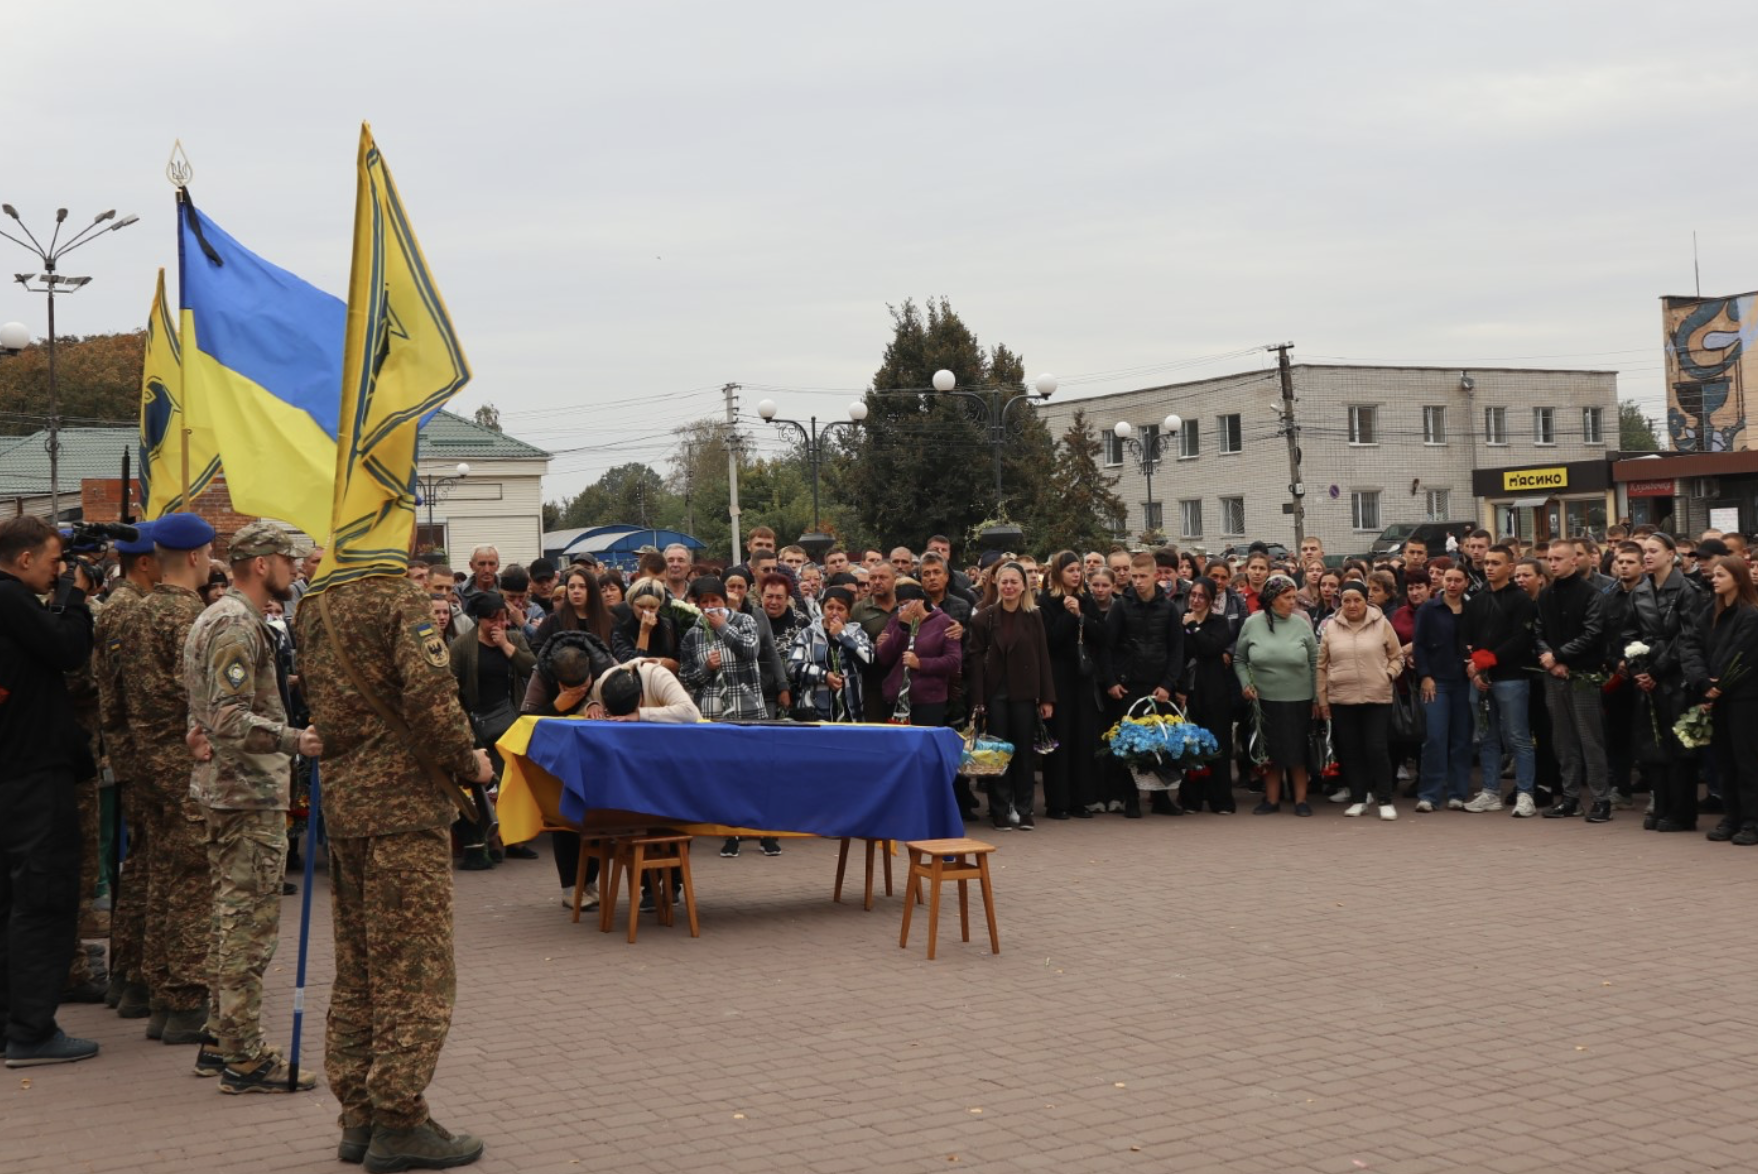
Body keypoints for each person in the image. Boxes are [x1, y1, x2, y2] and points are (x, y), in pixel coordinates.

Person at [295, 563, 494, 1169]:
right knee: (415, 968)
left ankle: (359, 1113)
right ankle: (400, 1120)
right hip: (404, 809)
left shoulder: (315, 605)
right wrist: (470, 763)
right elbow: (433, 702)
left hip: (350, 808)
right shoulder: (398, 599)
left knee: (359, 968)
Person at [180, 522, 323, 1092]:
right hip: (245, 791)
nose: (298, 567)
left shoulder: (219, 617)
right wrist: (295, 740)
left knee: (229, 918)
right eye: (290, 558)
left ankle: (220, 1038)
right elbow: (228, 716)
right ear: (261, 563)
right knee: (249, 927)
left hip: (230, 787)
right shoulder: (237, 622)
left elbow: (204, 705)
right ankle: (244, 1055)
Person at [0, 517, 101, 1068]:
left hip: (11, 773)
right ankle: (33, 1031)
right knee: (43, 902)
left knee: (11, 905)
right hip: (35, 775)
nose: (57, 570)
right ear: (21, 560)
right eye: (51, 560)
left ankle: (10, 1022)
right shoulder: (11, 599)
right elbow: (68, 650)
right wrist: (77, 598)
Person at [122, 513, 220, 1049]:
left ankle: (162, 993)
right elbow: (202, 699)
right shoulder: (189, 618)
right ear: (194, 556)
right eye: (208, 554)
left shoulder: (140, 611)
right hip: (184, 763)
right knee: (191, 883)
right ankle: (184, 998)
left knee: (164, 877)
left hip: (149, 761)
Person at [92, 523, 160, 1020]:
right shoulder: (131, 609)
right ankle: (138, 975)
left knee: (139, 865)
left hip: (129, 749)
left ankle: (128, 975)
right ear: (145, 562)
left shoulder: (120, 604)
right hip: (142, 752)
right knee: (147, 867)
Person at [1622, 533, 1707, 832]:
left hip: (1676, 676)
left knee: (1680, 748)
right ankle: (1662, 805)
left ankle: (1682, 813)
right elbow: (1628, 633)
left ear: (1671, 554)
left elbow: (1688, 636)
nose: (1646, 556)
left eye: (1653, 551)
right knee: (1652, 745)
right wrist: (1637, 669)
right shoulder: (1640, 591)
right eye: (1644, 551)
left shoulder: (1687, 590)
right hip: (1648, 674)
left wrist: (1657, 670)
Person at [967, 562, 1055, 830]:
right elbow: (974, 660)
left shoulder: (1033, 616)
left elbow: (1042, 656)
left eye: (1014, 582)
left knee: (1025, 754)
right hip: (995, 694)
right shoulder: (984, 617)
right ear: (996, 584)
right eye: (1004, 582)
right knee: (997, 753)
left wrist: (1047, 698)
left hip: (1024, 694)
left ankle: (1024, 808)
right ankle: (1000, 809)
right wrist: (978, 701)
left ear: (1023, 585)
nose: (1008, 587)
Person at [1536, 539, 1612, 823]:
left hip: (1583, 676)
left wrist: (1558, 655)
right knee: (1562, 739)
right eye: (1550, 559)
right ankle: (1570, 798)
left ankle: (1601, 799)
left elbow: (1593, 633)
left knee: (1590, 739)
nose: (1552, 563)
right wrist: (1548, 657)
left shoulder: (1592, 594)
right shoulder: (1545, 595)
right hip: (1553, 676)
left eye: (1559, 559)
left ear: (1574, 561)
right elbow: (1538, 630)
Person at [1105, 553, 1184, 817]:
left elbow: (1176, 649)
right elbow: (1108, 646)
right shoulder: (1121, 605)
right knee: (1129, 742)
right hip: (1129, 685)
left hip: (1158, 685)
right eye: (1134, 576)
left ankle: (1161, 797)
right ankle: (1131, 798)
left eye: (1142, 576)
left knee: (1161, 741)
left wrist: (1168, 684)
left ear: (1155, 576)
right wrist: (1112, 681)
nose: (1137, 582)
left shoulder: (1169, 608)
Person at [1462, 546, 1539, 816]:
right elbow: (1465, 637)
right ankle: (1490, 792)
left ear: (1511, 567)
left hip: (1512, 678)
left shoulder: (1521, 601)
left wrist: (1487, 661)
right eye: (1487, 563)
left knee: (1518, 737)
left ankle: (1525, 794)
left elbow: (1521, 639)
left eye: (1497, 563)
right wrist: (1473, 667)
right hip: (1480, 679)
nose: (1489, 567)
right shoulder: (1476, 600)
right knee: (1486, 737)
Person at [1233, 575, 1318, 816]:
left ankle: (1301, 800)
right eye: (1287, 597)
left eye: (1294, 597)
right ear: (1272, 599)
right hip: (1265, 700)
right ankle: (1271, 799)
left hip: (1299, 699)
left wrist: (1316, 698)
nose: (1293, 602)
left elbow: (1314, 661)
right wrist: (1246, 683)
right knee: (1270, 752)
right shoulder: (1252, 623)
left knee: (1297, 751)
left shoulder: (1301, 623)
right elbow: (1240, 660)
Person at [1318, 582, 1403, 820]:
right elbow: (1321, 665)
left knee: (1376, 747)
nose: (1352, 605)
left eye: (1357, 600)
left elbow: (1397, 657)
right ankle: (1359, 798)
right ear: (1340, 602)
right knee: (1351, 750)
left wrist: (1387, 675)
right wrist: (1323, 699)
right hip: (1342, 699)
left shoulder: (1382, 624)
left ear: (1367, 600)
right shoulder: (1331, 627)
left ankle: (1385, 799)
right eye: (1346, 600)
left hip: (1377, 698)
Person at [1693, 556, 1758, 844]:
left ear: (1738, 578)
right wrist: (1703, 681)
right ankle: (1732, 817)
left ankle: (1752, 821)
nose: (1714, 579)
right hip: (1715, 696)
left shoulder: (1750, 614)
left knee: (1746, 761)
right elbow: (1691, 645)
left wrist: (1717, 684)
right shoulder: (1710, 611)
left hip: (1744, 698)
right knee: (1724, 761)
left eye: (1721, 575)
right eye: (1714, 575)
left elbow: (1740, 654)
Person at [1034, 552, 1103, 820]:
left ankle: (1081, 800)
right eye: (1071, 570)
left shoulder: (1086, 600)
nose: (1076, 574)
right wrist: (1069, 614)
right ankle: (1058, 802)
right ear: (1058, 573)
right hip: (1058, 678)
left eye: (1079, 570)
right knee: (1060, 740)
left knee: (1083, 740)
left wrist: (1082, 616)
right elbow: (1049, 640)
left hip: (1083, 679)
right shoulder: (1047, 602)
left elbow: (1102, 634)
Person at [1414, 566, 1472, 812]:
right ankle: (1429, 794)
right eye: (1448, 579)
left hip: (1465, 681)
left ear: (1466, 583)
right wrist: (1425, 675)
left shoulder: (1473, 609)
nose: (1452, 584)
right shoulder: (1429, 608)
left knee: (1462, 739)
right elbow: (1419, 645)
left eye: (1458, 580)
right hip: (1437, 682)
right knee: (1435, 737)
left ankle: (1458, 793)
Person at [1180, 577, 1238, 814]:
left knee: (1217, 744)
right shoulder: (1181, 620)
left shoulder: (1219, 622)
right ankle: (1191, 799)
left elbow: (1211, 648)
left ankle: (1221, 799)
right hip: (1191, 691)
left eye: (1201, 596)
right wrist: (1180, 688)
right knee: (1192, 745)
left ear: (1211, 600)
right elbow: (1180, 656)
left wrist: (1194, 626)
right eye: (1192, 595)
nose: (1195, 600)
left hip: (1215, 692)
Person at [787, 586, 873, 723]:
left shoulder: (857, 633)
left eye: (840, 609)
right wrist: (824, 676)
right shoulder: (808, 634)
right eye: (830, 607)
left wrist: (842, 636)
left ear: (848, 613)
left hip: (851, 711)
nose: (834, 613)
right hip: (816, 711)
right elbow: (793, 666)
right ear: (822, 608)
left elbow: (868, 659)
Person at [534, 565, 613, 653]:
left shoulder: (609, 621)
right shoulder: (553, 621)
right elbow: (537, 649)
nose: (576, 591)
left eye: (582, 586)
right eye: (571, 587)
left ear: (592, 590)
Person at [614, 578, 681, 674]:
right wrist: (644, 633)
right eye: (641, 606)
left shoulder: (669, 624)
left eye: (652, 607)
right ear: (632, 605)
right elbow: (632, 666)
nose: (646, 612)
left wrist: (670, 664)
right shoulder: (622, 629)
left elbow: (681, 659)